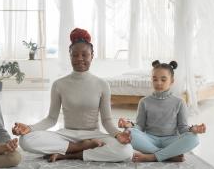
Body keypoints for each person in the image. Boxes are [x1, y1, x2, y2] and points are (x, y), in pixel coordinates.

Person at [12, 28, 133, 162]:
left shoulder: (102, 84)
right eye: (75, 55)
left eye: (84, 54)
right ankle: (81, 147)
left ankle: (71, 154)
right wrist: (29, 128)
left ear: (92, 55)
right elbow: (51, 119)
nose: (79, 59)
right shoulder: (59, 84)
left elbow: (107, 121)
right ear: (70, 56)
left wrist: (117, 135)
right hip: (66, 135)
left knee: (126, 151)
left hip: (93, 135)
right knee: (26, 140)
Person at [118, 60, 206, 162]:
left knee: (194, 138)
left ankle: (153, 156)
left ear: (172, 81)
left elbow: (183, 129)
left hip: (171, 140)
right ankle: (168, 155)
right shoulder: (144, 101)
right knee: (128, 132)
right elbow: (140, 127)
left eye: (163, 80)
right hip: (149, 139)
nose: (158, 83)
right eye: (155, 79)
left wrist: (194, 129)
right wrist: (129, 125)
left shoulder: (179, 102)